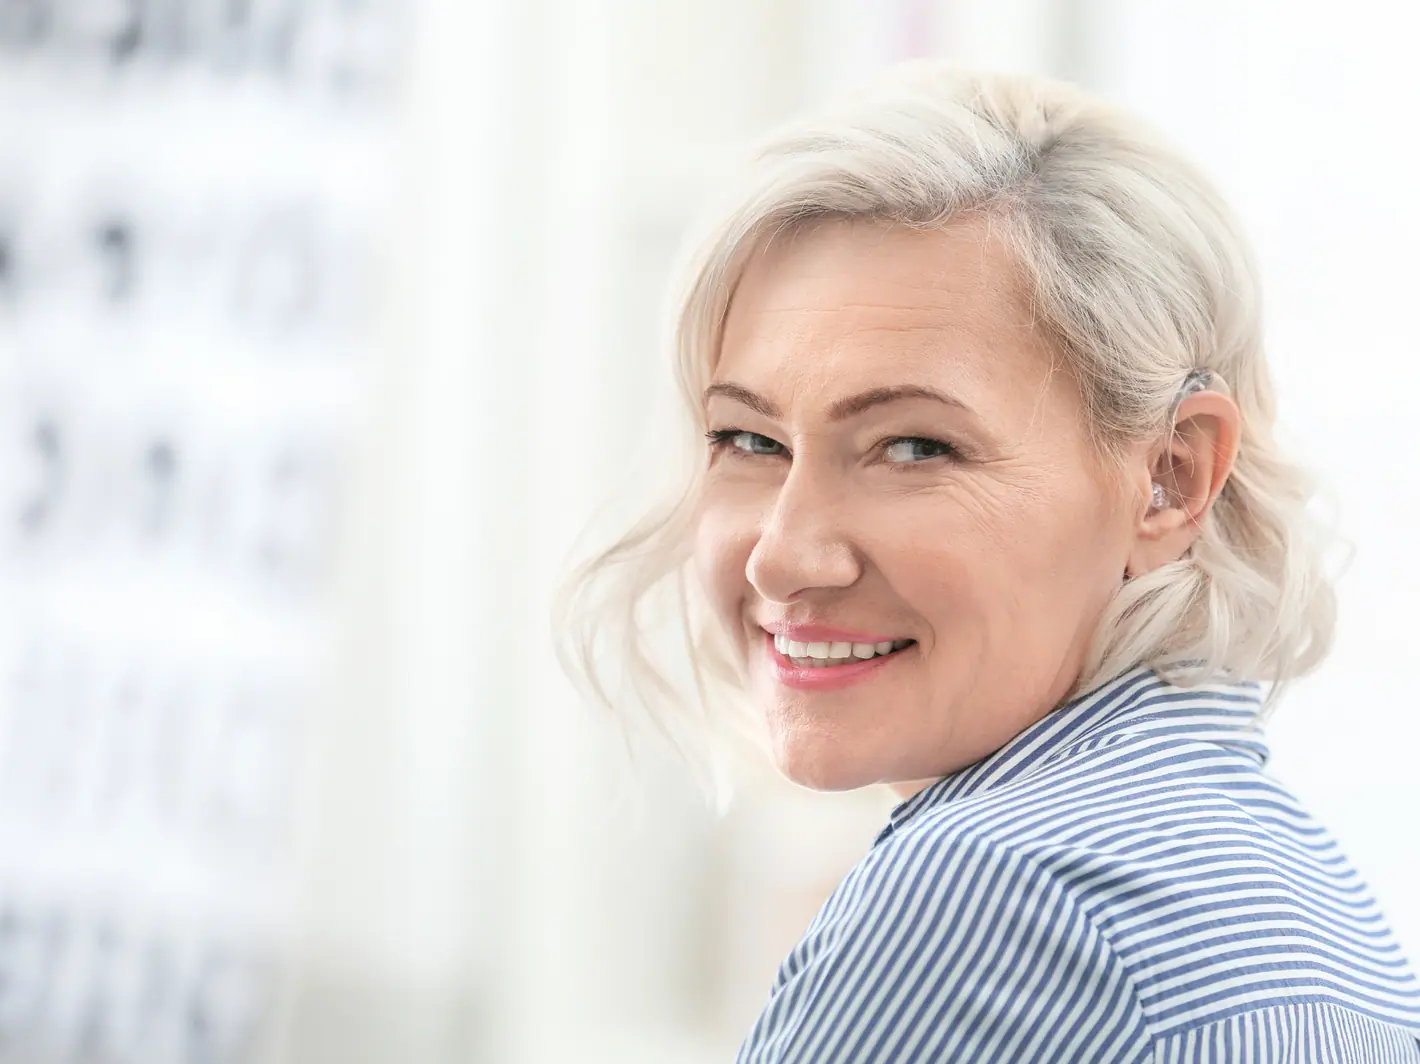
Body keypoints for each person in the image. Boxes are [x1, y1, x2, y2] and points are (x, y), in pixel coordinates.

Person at [557, 61, 1420, 1061]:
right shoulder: (1293, 887)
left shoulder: (985, 897)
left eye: (915, 446)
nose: (786, 554)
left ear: (1171, 477)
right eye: (748, 440)